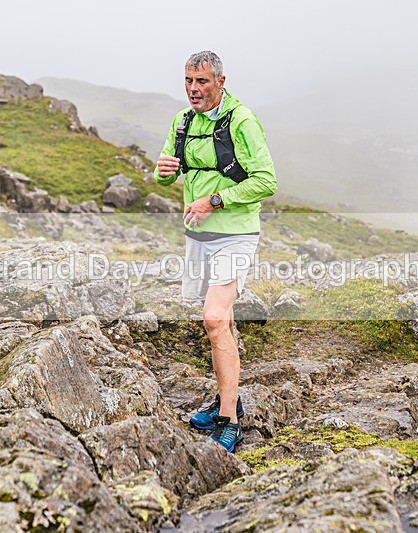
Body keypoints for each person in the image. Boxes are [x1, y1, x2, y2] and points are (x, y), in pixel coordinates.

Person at [154, 51, 277, 452]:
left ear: (221, 82)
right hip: (198, 236)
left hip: (236, 233)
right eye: (189, 80)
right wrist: (163, 171)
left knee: (213, 319)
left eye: (202, 81)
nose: (193, 89)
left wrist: (215, 201)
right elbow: (167, 172)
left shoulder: (242, 121)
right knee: (221, 323)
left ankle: (229, 419)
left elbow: (266, 181)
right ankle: (228, 396)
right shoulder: (182, 121)